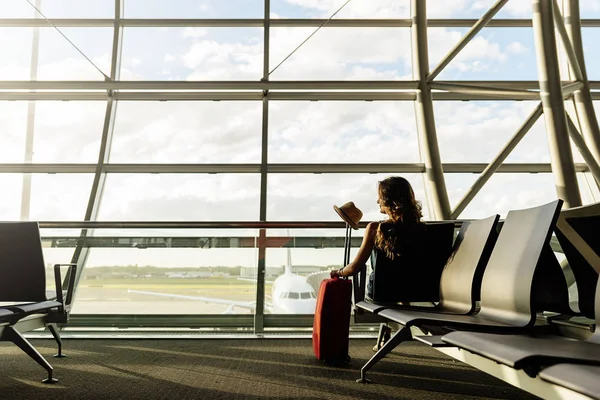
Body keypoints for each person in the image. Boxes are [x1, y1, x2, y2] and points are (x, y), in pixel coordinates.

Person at [330, 176, 426, 301]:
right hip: (416, 292)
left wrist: (339, 272)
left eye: (380, 197)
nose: (377, 201)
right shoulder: (423, 229)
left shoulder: (376, 228)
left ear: (388, 200)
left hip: (383, 293)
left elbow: (355, 268)